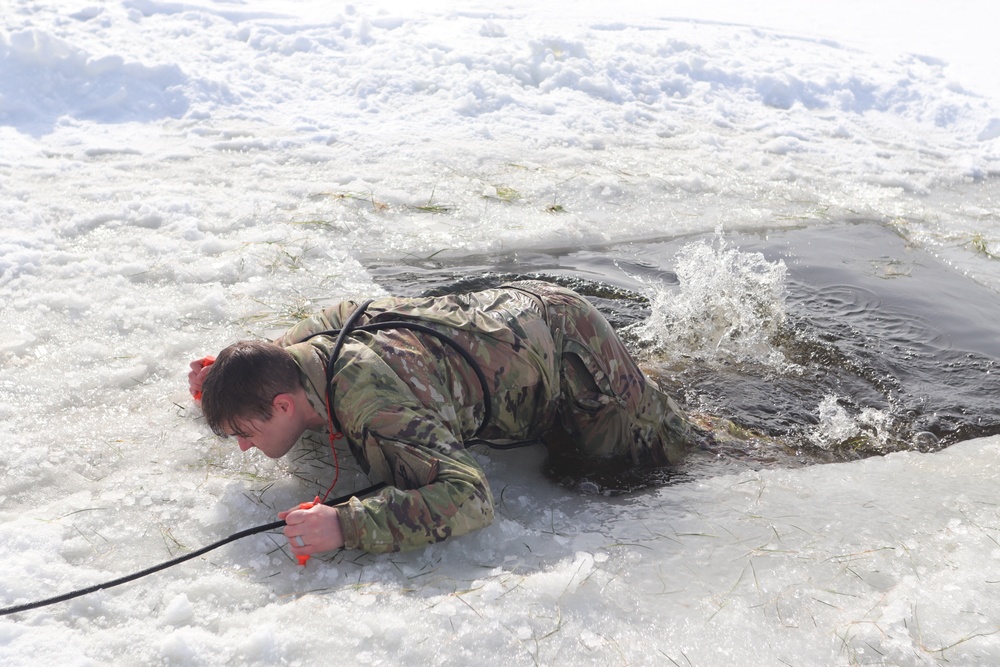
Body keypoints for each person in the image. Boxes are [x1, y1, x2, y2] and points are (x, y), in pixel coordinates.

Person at [188, 280, 691, 558]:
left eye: (246, 433)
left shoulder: (373, 404)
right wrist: (219, 382)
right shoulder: (300, 353)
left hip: (570, 350)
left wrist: (346, 524)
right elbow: (265, 360)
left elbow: (469, 496)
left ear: (283, 406)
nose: (245, 447)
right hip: (516, 314)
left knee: (672, 450)